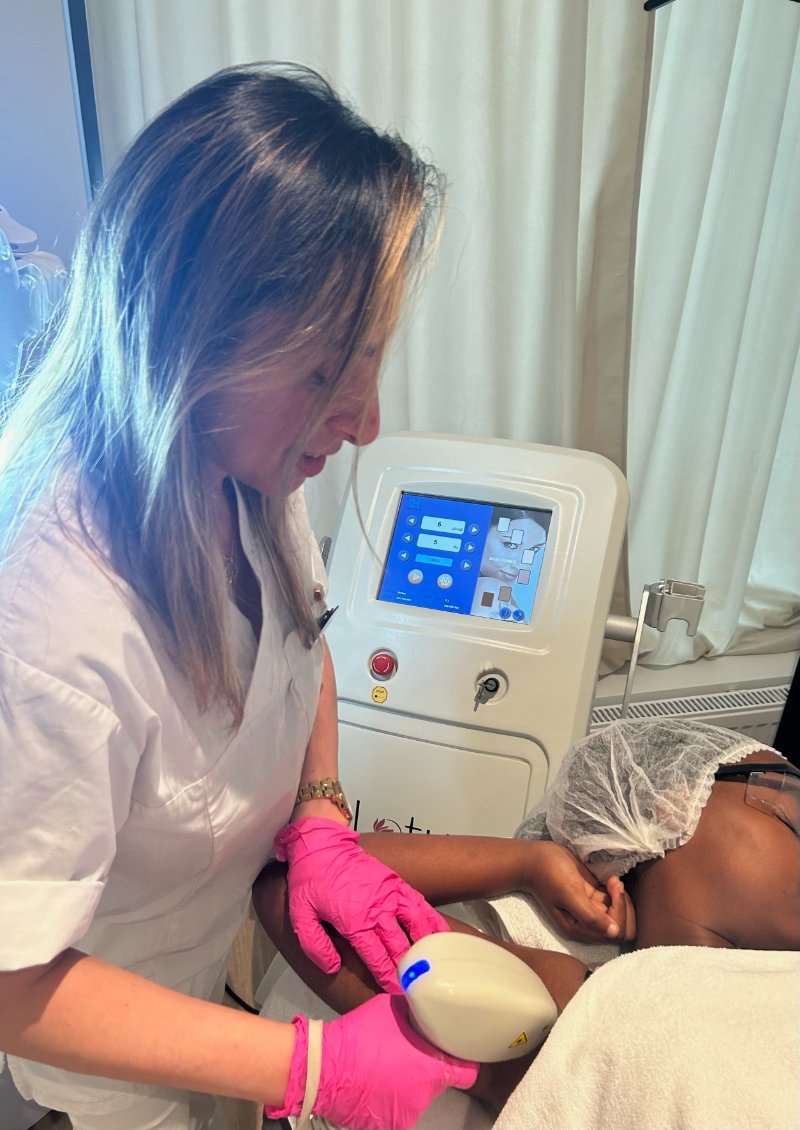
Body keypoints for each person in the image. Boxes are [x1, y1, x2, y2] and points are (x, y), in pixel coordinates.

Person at [0, 62, 621, 1130]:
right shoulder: (52, 626)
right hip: (108, 1047)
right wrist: (310, 1068)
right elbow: (14, 982)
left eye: (370, 362)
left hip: (209, 968)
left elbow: (302, 642)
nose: (365, 420)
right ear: (191, 338)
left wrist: (323, 815)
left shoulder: (241, 470)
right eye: (328, 372)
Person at [254, 718, 800, 1117]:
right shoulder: (607, 1008)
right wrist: (527, 864)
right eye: (786, 801)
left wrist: (527, 863)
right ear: (667, 810)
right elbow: (306, 896)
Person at [470, 506, 548, 620]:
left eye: (534, 549)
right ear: (481, 535)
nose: (520, 565)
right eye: (510, 545)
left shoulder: (501, 591)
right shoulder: (489, 588)